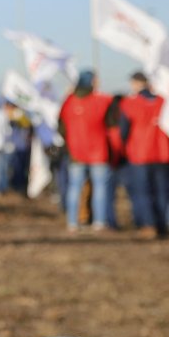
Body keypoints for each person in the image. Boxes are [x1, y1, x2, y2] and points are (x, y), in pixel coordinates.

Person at [119, 71, 169, 238]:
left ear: (135, 84)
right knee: (162, 191)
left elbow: (123, 131)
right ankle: (163, 224)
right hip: (162, 154)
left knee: (142, 192)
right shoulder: (164, 102)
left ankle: (148, 225)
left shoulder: (129, 103)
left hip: (139, 154)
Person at [57, 70, 115, 232]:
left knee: (74, 187)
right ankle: (99, 221)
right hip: (98, 151)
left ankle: (72, 222)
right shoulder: (102, 101)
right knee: (100, 187)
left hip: (76, 152)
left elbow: (60, 126)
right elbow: (112, 126)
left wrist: (70, 142)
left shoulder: (69, 102)